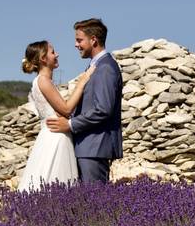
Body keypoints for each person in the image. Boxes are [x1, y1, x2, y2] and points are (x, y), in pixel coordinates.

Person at [46, 18, 123, 183]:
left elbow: (103, 109)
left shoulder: (106, 68)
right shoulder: (96, 66)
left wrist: (70, 124)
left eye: (79, 40)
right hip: (87, 147)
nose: (76, 44)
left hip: (95, 148)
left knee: (96, 202)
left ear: (93, 39)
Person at [17, 40, 94, 191]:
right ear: (43, 59)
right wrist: (82, 82)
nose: (57, 54)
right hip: (56, 138)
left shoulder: (42, 81)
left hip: (51, 135)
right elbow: (66, 110)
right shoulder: (43, 81)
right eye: (53, 52)